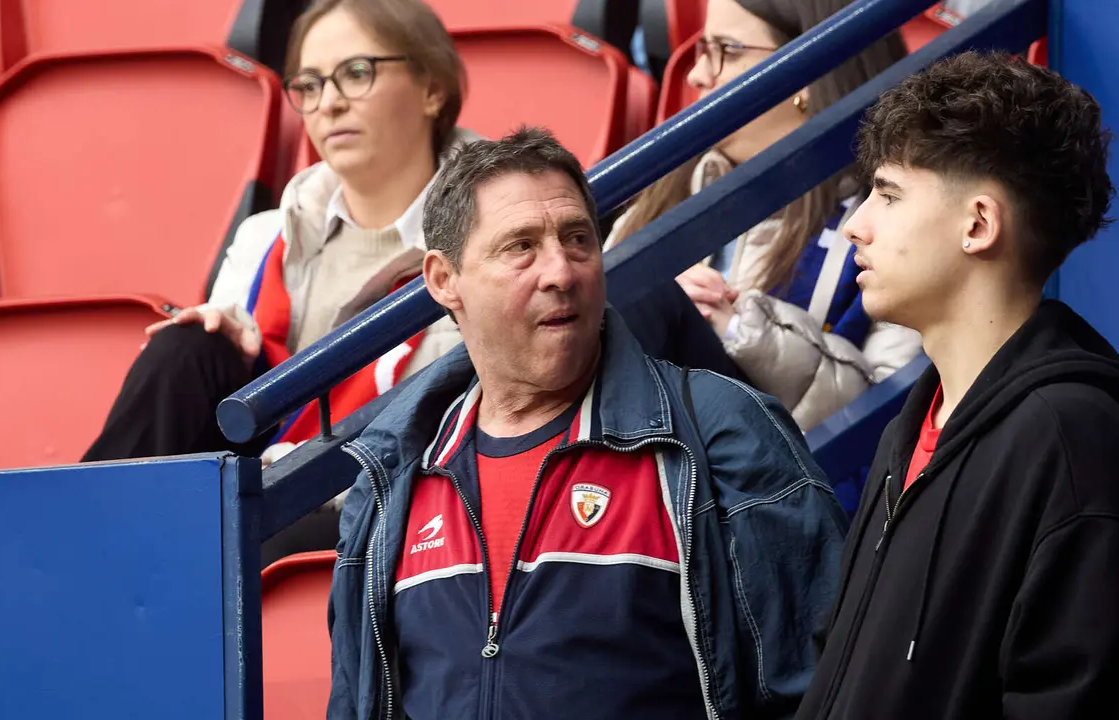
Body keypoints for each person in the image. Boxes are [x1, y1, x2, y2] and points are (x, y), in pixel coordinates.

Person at [328, 127, 848, 720]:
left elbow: (827, 687)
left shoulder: (723, 432)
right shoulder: (392, 473)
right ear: (445, 280)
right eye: (521, 246)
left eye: (578, 239)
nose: (561, 272)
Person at [794, 52, 1119, 720]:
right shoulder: (914, 425)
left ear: (978, 224)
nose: (856, 225)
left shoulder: (1069, 434)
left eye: (889, 193)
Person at [82, 0, 474, 465]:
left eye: (356, 73)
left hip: (381, 494)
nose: (329, 103)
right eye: (309, 85)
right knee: (186, 348)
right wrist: (223, 340)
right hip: (257, 486)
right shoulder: (263, 238)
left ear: (432, 88)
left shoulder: (490, 236)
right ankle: (84, 527)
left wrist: (296, 469)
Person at [608, 0, 922, 431]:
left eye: (728, 50)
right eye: (702, 48)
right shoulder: (665, 191)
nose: (699, 73)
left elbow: (885, 423)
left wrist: (737, 326)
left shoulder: (891, 220)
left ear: (808, 75)